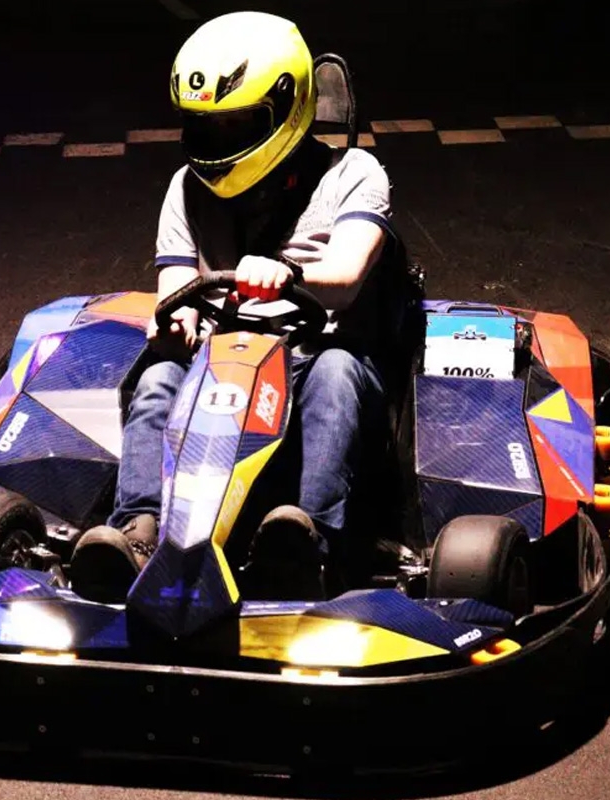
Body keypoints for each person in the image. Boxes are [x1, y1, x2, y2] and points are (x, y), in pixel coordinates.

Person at [69, 10, 395, 603]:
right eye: (207, 127)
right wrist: (175, 325)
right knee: (159, 374)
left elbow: (347, 276)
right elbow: (177, 291)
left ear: (286, 107)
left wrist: (288, 274)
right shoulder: (186, 188)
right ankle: (139, 531)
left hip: (320, 354)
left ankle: (312, 543)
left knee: (336, 370)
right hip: (226, 366)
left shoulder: (354, 173)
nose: (218, 143)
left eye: (236, 124)